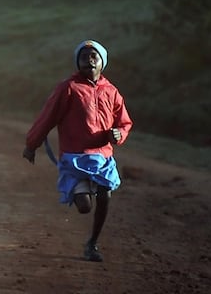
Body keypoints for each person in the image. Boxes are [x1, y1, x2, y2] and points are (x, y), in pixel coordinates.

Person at [23, 40, 133, 263]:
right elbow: (47, 117)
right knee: (84, 207)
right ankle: (83, 191)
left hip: (102, 156)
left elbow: (124, 122)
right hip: (75, 158)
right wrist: (31, 144)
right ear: (77, 62)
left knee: (105, 195)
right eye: (84, 57)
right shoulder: (68, 88)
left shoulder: (111, 91)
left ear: (103, 62)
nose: (89, 60)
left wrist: (120, 134)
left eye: (94, 56)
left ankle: (92, 243)